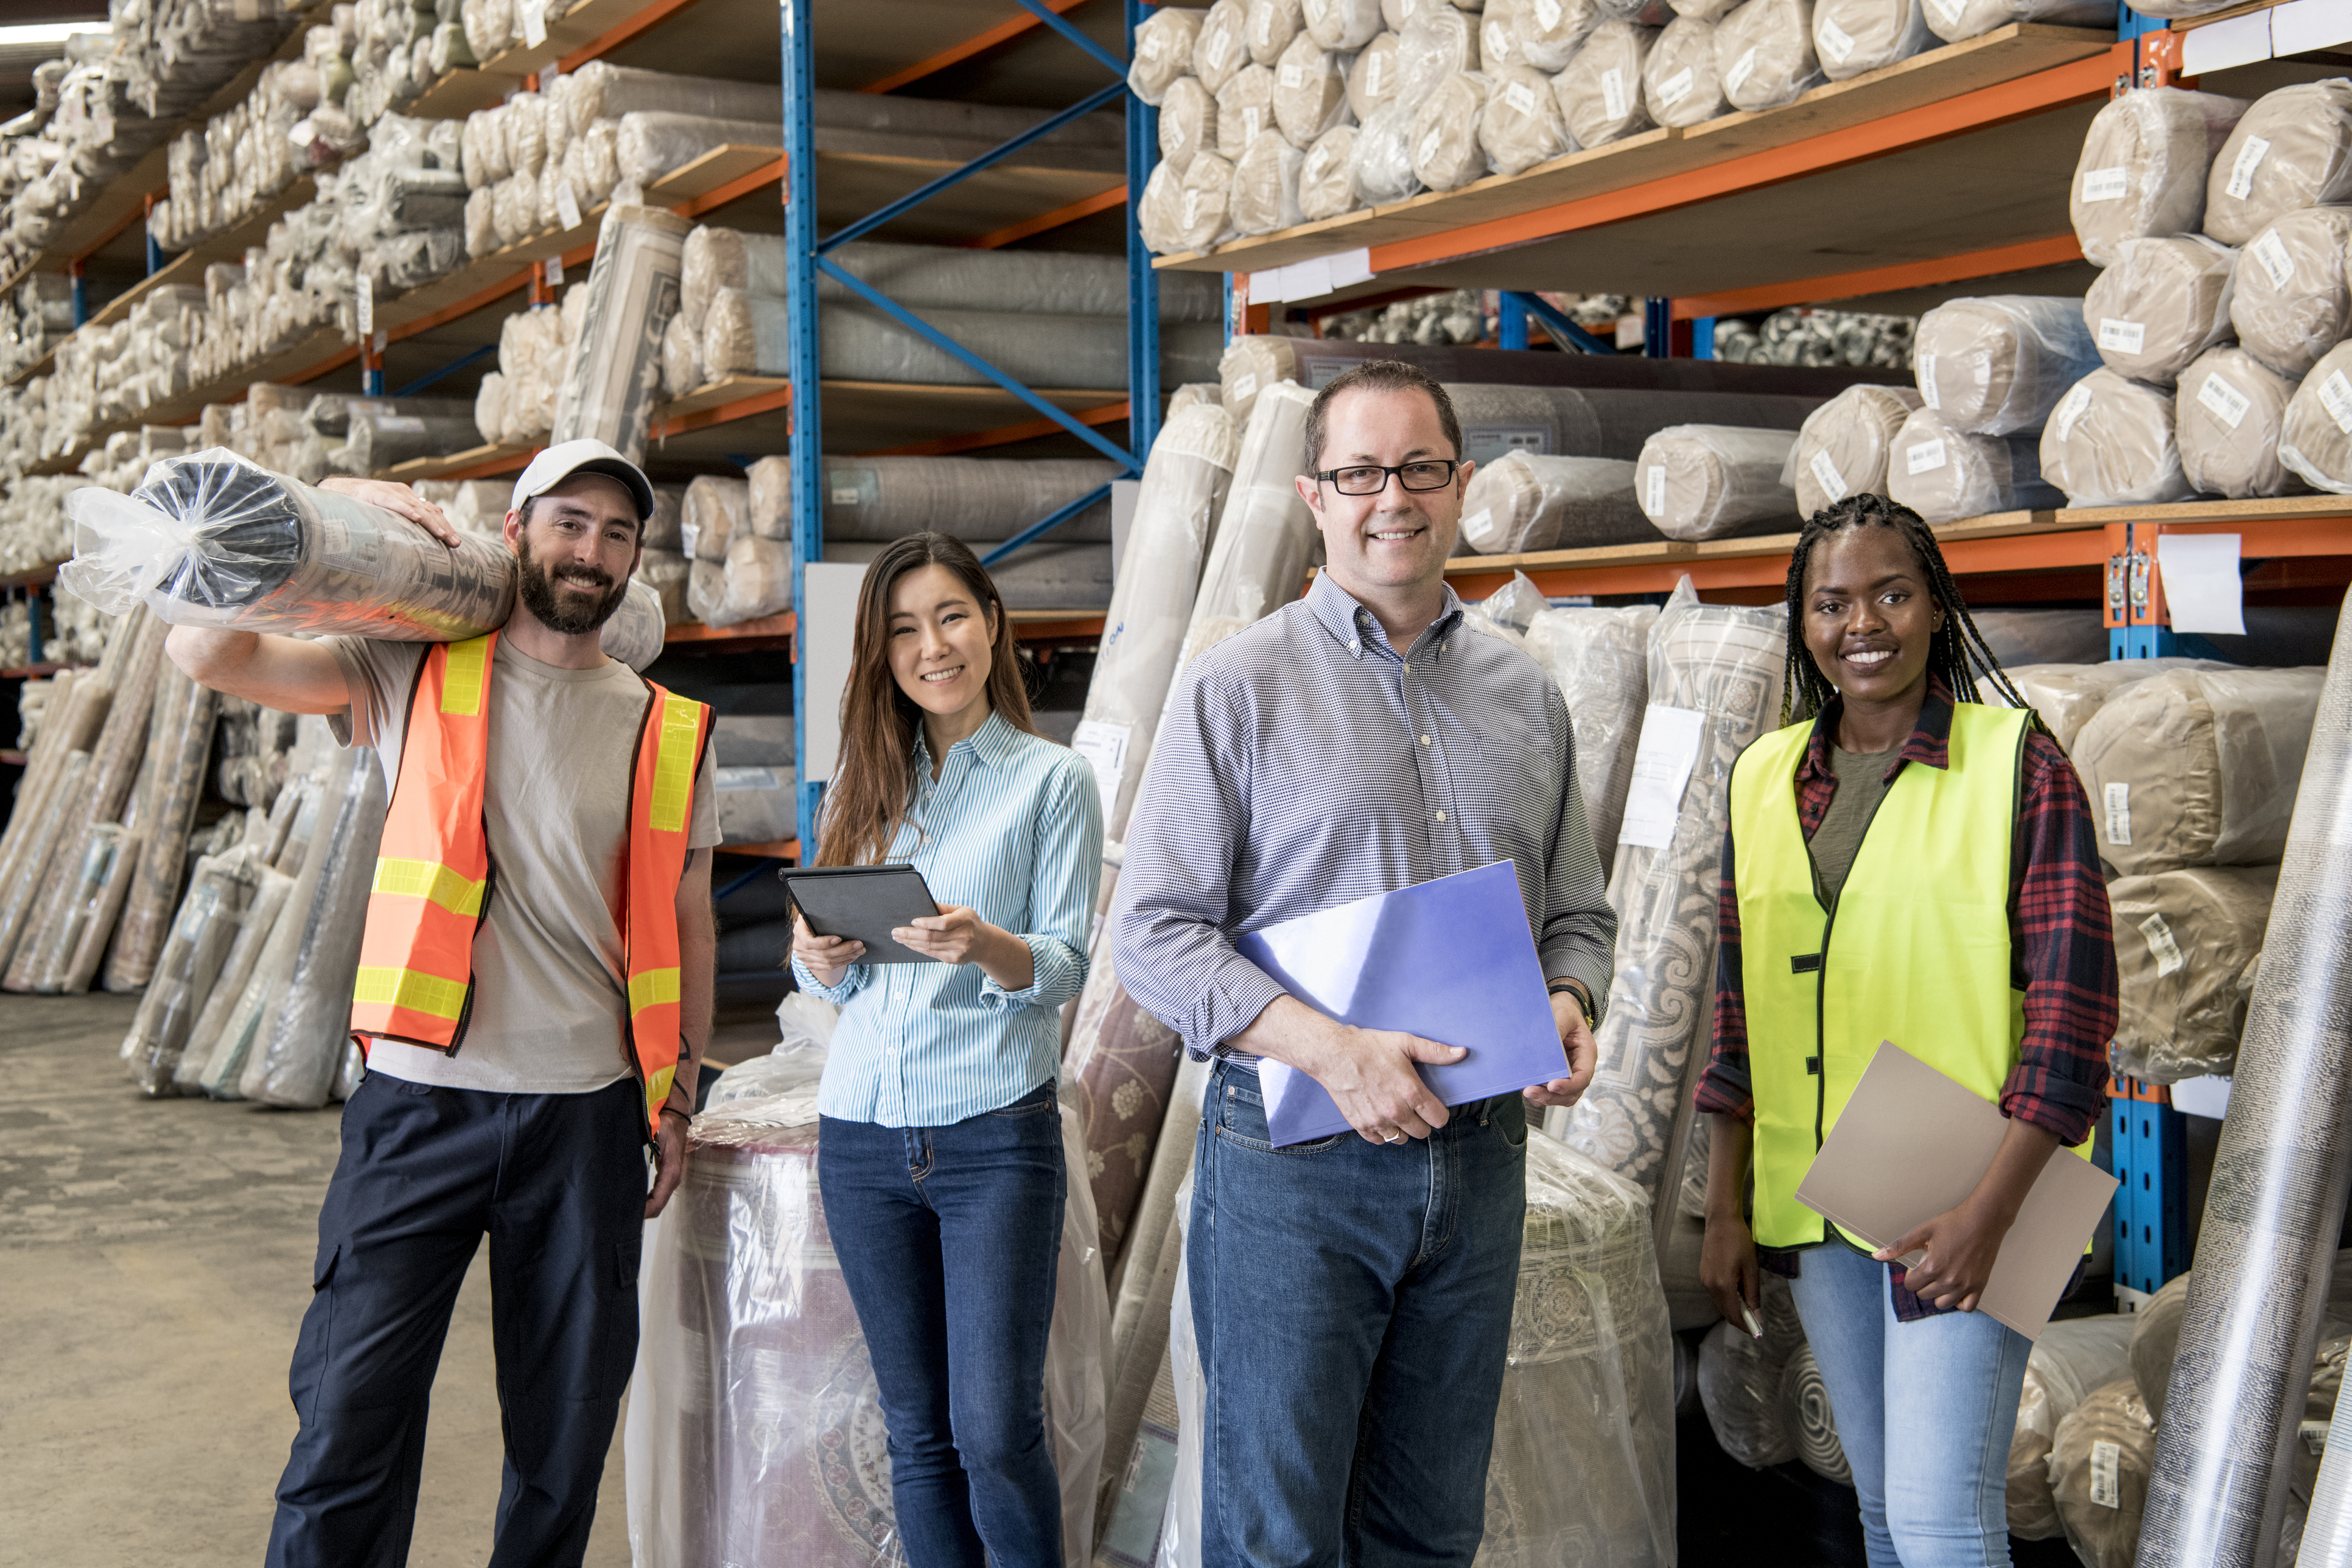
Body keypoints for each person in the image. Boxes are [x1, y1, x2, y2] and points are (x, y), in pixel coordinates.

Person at [164, 441, 722, 1568]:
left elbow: (693, 917)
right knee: (349, 1415)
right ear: (512, 531)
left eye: (617, 534)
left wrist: (679, 1097)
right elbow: (207, 650)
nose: (593, 551)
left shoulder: (669, 727)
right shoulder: (410, 671)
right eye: (570, 523)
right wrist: (334, 505)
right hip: (422, 1104)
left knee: (564, 1438)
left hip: (588, 1115)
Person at [1110, 359, 1617, 1567]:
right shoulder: (1237, 686)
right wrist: (1333, 1051)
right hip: (1299, 1169)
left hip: (1481, 1159)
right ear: (1315, 495)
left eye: (1420, 470)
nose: (1393, 497)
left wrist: (1567, 1002)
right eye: (1360, 473)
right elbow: (1155, 934)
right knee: (1278, 1538)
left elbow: (1581, 913)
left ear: (1462, 487)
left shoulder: (1524, 693)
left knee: (1430, 1534)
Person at [1696, 492, 2117, 1568]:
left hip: (1971, 1180)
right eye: (1832, 603)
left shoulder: (2018, 762)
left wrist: (1991, 1212)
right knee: (1882, 1512)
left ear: (1936, 606)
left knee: (1940, 1523)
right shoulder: (1763, 777)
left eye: (1891, 593)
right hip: (1825, 1189)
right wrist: (1725, 1205)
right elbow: (1741, 1008)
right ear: (1802, 623)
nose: (1863, 624)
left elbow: (2074, 1021)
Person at [789, 531, 1103, 1568]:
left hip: (990, 1141)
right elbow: (824, 975)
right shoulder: (861, 787)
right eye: (904, 629)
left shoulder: (1053, 781)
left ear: (993, 622)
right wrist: (817, 956)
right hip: (863, 1138)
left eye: (952, 616)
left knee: (992, 1431)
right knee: (916, 1432)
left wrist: (987, 945)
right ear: (880, 654)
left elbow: (1064, 966)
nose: (933, 646)